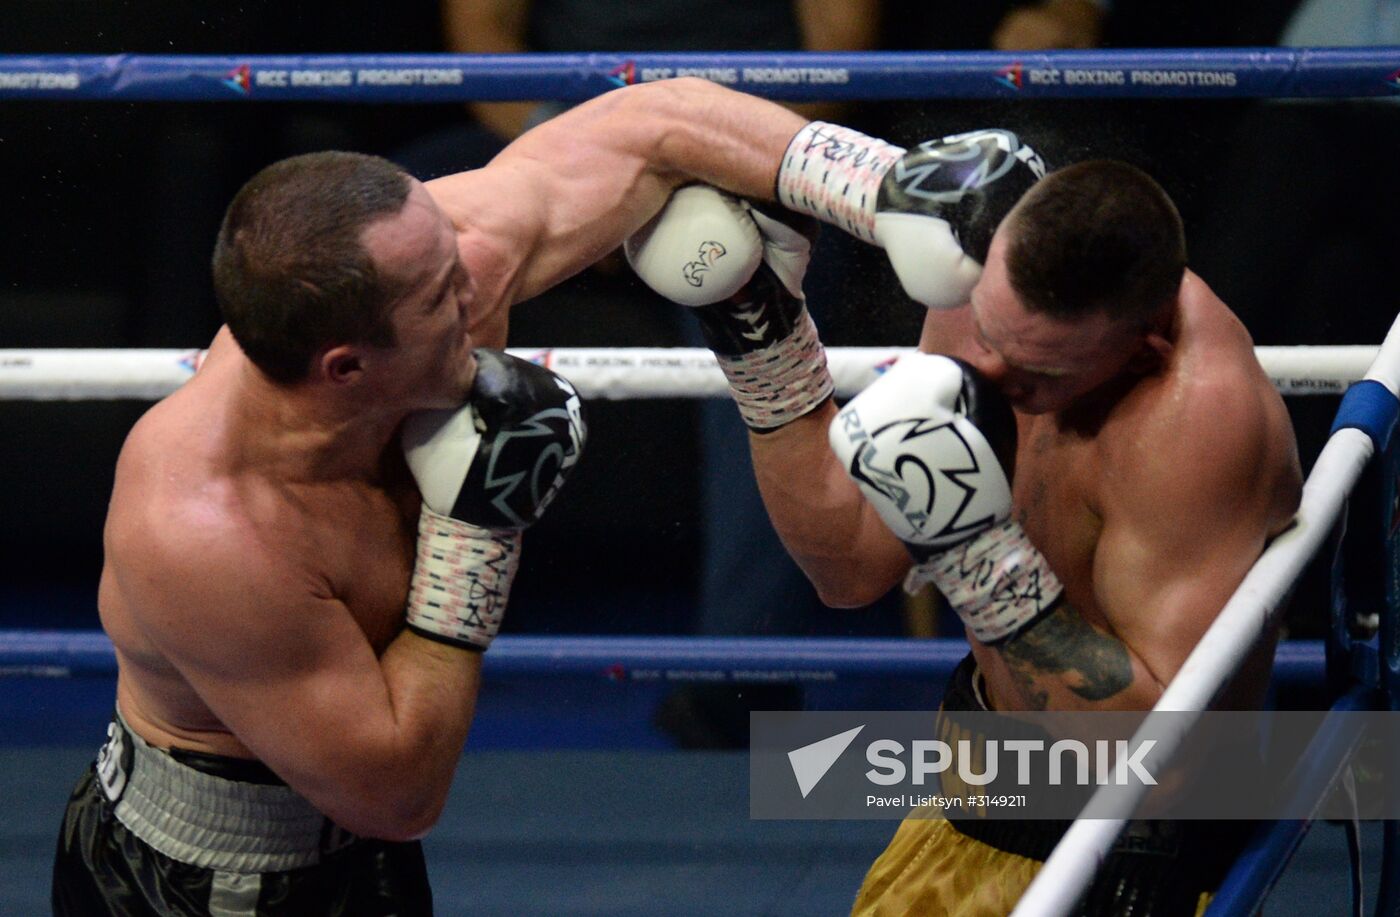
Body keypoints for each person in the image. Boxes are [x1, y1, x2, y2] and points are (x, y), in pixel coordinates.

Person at [48, 78, 833, 916]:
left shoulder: (425, 271)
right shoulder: (207, 531)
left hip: (364, 854)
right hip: (206, 884)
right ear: (346, 367)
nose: (479, 295)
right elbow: (398, 791)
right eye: (441, 297)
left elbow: (652, 125)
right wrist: (477, 530)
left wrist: (898, 191)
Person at [628, 132, 1303, 912]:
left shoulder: (1197, 422)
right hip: (965, 811)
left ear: (1141, 351)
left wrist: (980, 556)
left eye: (1035, 372)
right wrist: (763, 340)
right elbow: (848, 566)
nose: (986, 375)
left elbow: (1167, 765)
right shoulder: (973, 287)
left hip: (1129, 862)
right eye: (985, 334)